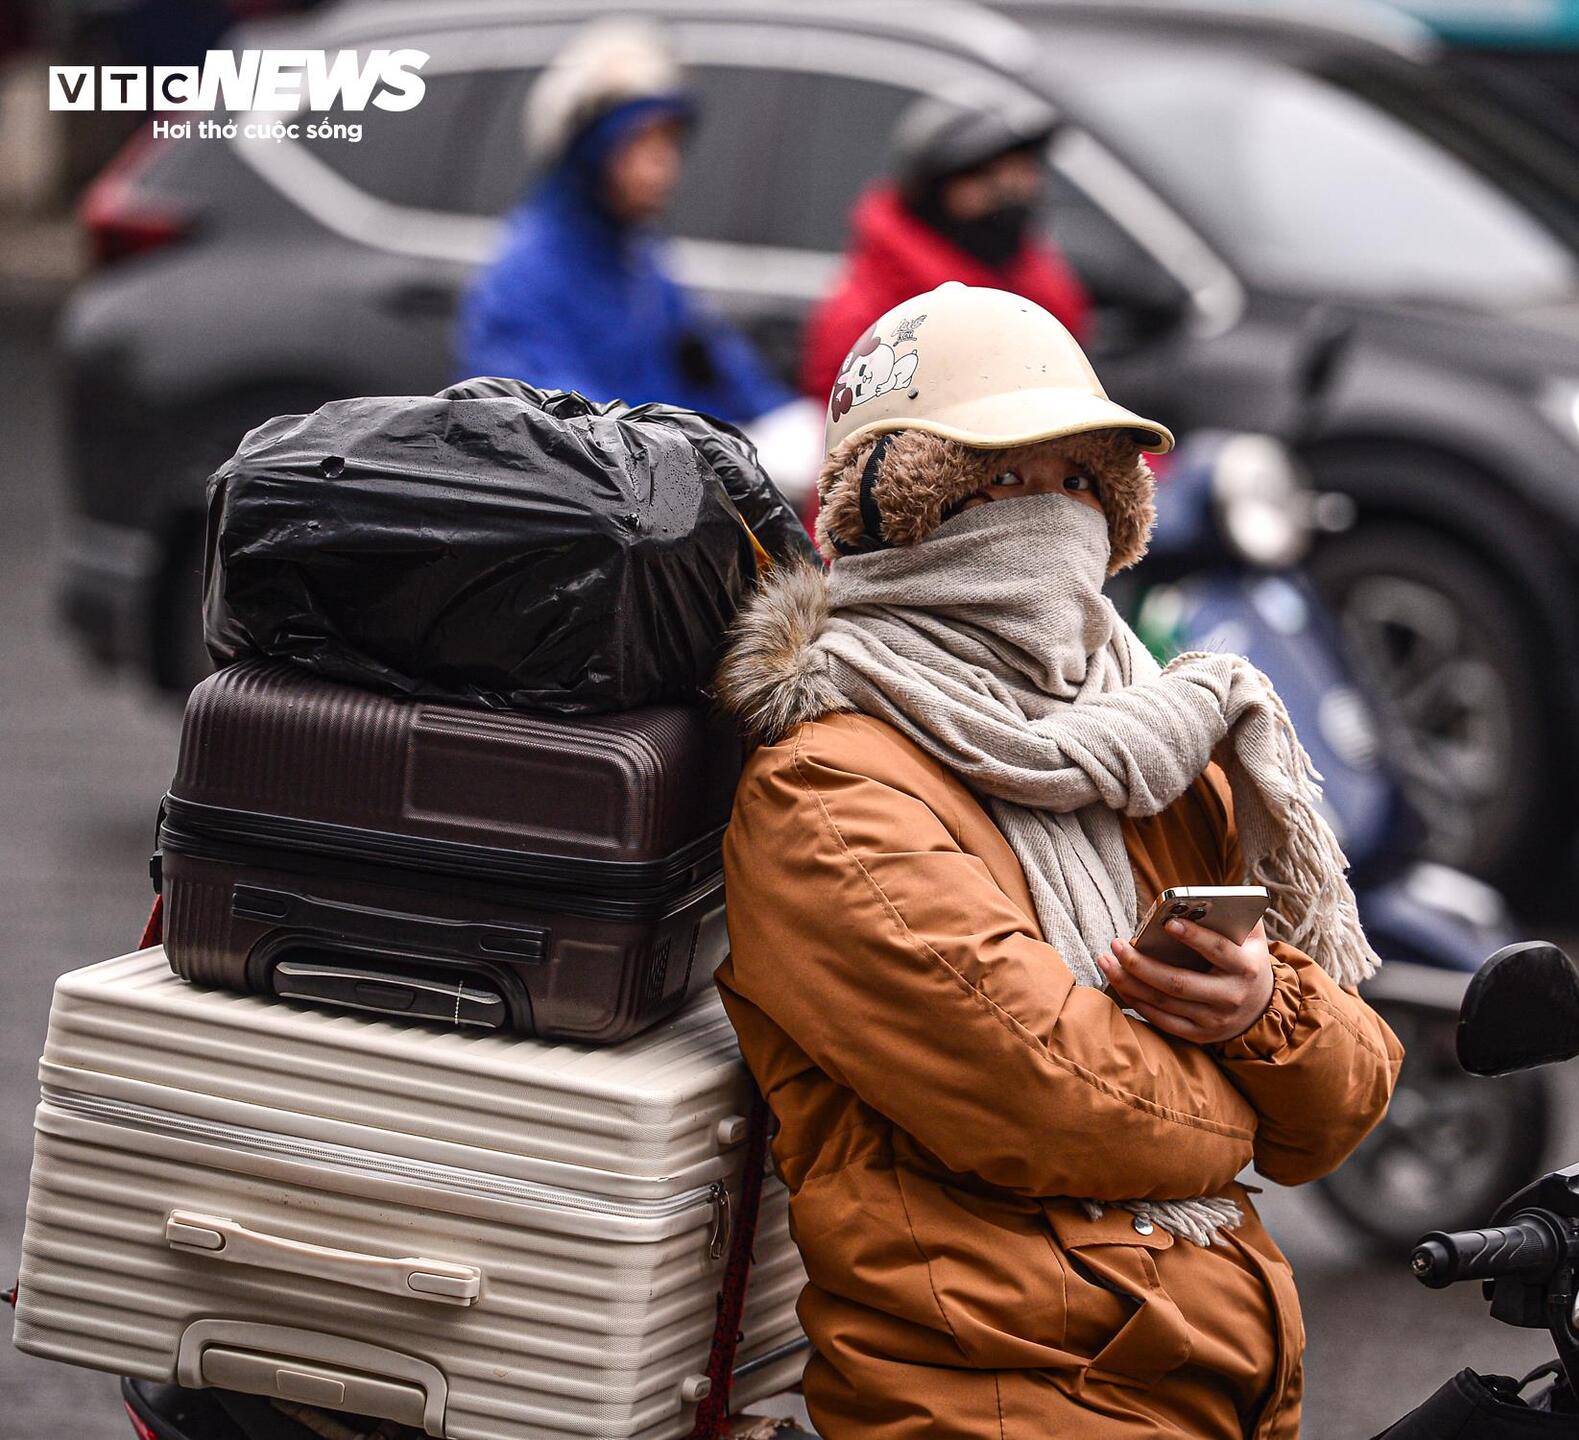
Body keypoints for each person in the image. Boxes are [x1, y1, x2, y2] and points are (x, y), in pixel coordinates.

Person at [715, 282, 1402, 1440]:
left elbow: (1345, 1098)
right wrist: (1246, 1084)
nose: (1051, 515)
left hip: (1211, 1378)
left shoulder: (1152, 733)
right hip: (1002, 1391)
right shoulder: (826, 789)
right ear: (900, 508)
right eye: (998, 481)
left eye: (1082, 480)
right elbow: (1060, 1099)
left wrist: (1257, 1010)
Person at [457, 20, 788, 423]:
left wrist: (779, 420)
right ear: (590, 151)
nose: (664, 163)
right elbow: (554, 423)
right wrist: (687, 446)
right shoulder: (525, 275)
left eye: (669, 140)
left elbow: (712, 361)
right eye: (640, 140)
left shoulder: (639, 256)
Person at [798, 93, 1090, 405]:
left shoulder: (1039, 286)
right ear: (933, 191)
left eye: (1023, 175)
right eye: (987, 179)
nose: (1010, 194)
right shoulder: (870, 323)